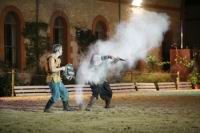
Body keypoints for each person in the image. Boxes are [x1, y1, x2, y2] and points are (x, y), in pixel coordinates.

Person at [44, 44, 74, 112]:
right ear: (57, 50)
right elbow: (52, 69)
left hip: (57, 79)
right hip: (52, 79)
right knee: (56, 95)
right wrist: (62, 68)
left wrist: (66, 73)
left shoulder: (58, 59)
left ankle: (66, 107)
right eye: (61, 50)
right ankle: (47, 109)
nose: (62, 51)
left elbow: (58, 70)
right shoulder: (51, 58)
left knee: (65, 92)